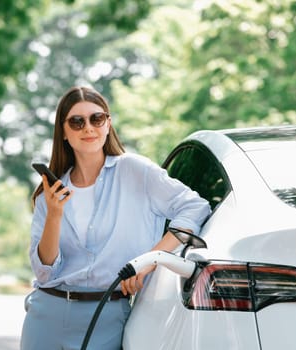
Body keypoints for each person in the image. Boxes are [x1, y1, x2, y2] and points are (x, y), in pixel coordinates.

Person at [20, 86, 211, 350]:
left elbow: (195, 207)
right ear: (63, 132)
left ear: (108, 124)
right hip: (46, 316)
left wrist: (150, 260)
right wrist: (54, 215)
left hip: (107, 314)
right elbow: (44, 271)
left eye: (96, 119)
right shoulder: (49, 195)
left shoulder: (134, 171)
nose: (88, 128)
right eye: (77, 122)